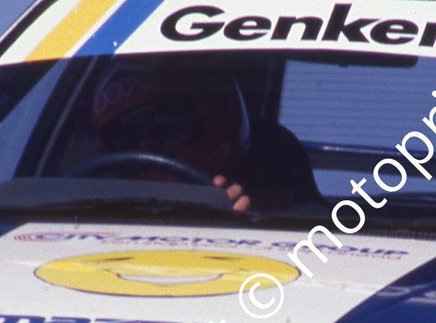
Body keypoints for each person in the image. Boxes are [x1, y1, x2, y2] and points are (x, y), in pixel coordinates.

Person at [88, 59, 320, 211]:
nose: (146, 143)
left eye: (166, 124)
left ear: (215, 119)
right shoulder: (82, 204)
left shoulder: (273, 176)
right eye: (127, 135)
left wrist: (251, 220)